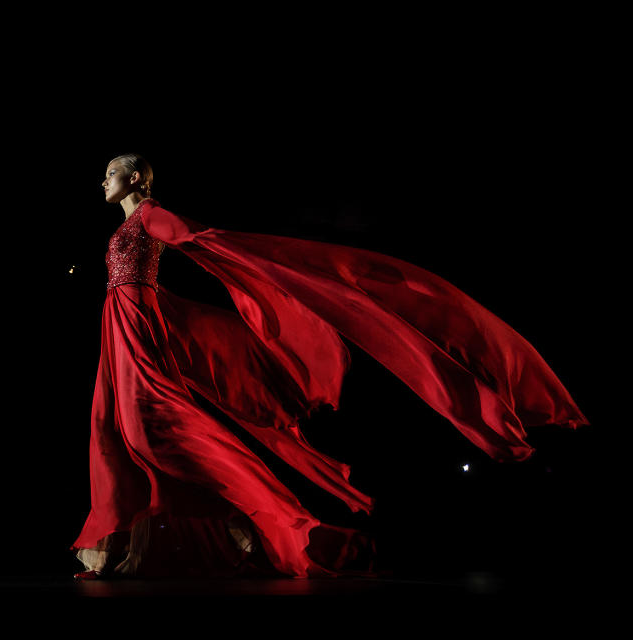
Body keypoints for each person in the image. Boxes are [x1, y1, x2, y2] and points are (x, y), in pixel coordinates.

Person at [70, 153, 589, 580]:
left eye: (111, 172)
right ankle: (132, 544)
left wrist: (268, 270)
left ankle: (268, 526)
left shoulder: (149, 218)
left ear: (135, 177)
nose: (102, 180)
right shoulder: (127, 226)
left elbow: (200, 238)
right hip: (122, 322)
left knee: (148, 429)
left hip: (137, 324)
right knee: (114, 426)